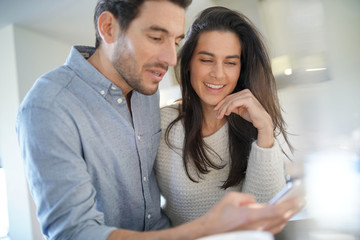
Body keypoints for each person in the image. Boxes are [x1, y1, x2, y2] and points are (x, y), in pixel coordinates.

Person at [16, 1, 303, 240]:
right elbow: (74, 234)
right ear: (108, 28)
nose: (171, 58)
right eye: (156, 37)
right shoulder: (49, 107)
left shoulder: (144, 91)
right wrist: (208, 228)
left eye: (176, 41)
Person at [155, 6, 294, 226]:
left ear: (241, 68)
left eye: (230, 62)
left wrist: (265, 131)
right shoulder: (162, 125)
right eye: (206, 60)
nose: (218, 74)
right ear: (189, 62)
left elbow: (264, 218)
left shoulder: (253, 125)